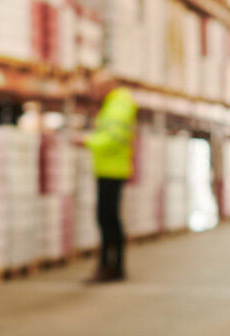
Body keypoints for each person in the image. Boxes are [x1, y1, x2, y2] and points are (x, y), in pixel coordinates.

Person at [75, 72, 137, 282]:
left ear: (108, 86)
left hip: (112, 169)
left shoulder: (118, 107)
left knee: (107, 219)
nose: (93, 92)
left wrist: (87, 140)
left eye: (96, 87)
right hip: (109, 168)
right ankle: (113, 266)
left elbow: (112, 139)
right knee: (109, 219)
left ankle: (110, 266)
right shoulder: (115, 104)